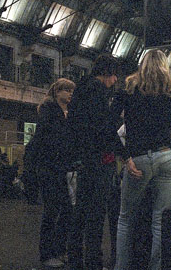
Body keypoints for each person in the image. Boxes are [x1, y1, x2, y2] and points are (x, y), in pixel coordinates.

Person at [114, 49, 171, 270]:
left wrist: (125, 157)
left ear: (142, 63)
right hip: (166, 156)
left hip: (138, 159)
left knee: (126, 219)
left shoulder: (129, 89)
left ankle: (121, 267)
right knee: (160, 220)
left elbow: (109, 125)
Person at [69, 54, 123, 270]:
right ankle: (93, 258)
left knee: (81, 209)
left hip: (84, 157)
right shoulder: (99, 92)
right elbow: (105, 127)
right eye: (115, 75)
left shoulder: (80, 89)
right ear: (108, 73)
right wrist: (122, 152)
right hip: (100, 158)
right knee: (97, 212)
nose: (116, 80)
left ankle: (74, 256)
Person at [29, 78, 76, 268]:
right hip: (49, 167)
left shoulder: (67, 113)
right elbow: (48, 137)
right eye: (67, 91)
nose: (70, 94)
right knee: (52, 210)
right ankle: (47, 253)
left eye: (72, 91)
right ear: (57, 92)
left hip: (61, 167)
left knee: (65, 209)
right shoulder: (50, 111)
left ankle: (57, 249)